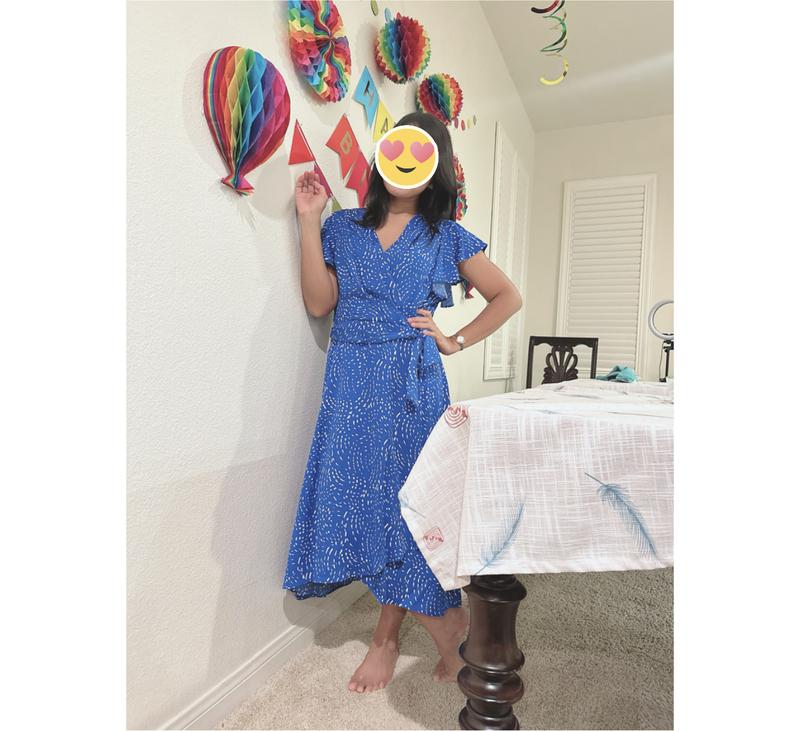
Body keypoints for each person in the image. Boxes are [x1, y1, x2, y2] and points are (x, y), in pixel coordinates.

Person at [282, 111, 523, 693]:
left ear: (436, 167)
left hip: (412, 385)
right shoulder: (343, 226)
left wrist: (453, 339)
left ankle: (403, 633)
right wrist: (309, 222)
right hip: (350, 381)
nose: (406, 164)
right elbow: (319, 303)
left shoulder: (446, 235)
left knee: (410, 507)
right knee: (363, 503)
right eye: (396, 150)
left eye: (422, 153)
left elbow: (507, 296)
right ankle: (435, 626)